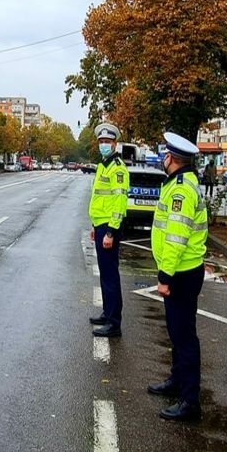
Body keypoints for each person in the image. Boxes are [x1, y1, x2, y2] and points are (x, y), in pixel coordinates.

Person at [148, 132, 208, 422]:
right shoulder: (178, 184)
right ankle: (177, 381)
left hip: (182, 272)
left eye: (164, 156)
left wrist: (165, 275)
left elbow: (176, 238)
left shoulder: (181, 191)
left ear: (171, 159)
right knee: (176, 331)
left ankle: (190, 401)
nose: (163, 159)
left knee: (184, 337)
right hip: (183, 270)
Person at [88, 122, 129, 338]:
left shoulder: (118, 168)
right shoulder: (104, 165)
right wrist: (95, 226)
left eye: (107, 142)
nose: (104, 145)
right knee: (105, 273)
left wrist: (111, 232)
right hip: (101, 225)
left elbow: (119, 201)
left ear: (115, 144)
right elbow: (99, 200)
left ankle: (114, 323)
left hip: (110, 227)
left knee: (110, 275)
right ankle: (108, 312)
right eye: (101, 142)